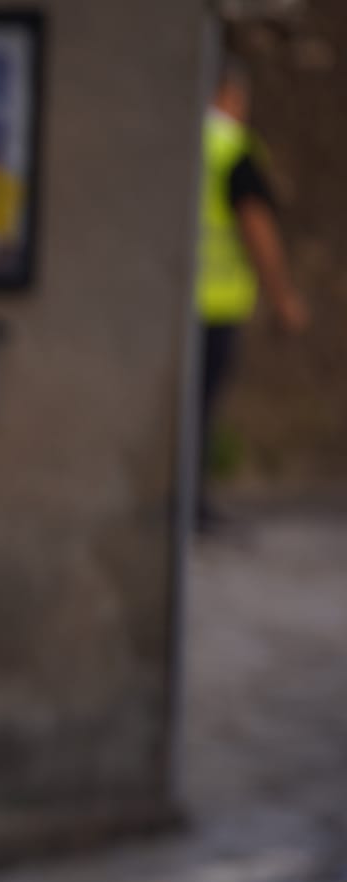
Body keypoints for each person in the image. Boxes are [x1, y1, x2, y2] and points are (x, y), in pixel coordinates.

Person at [195, 52, 309, 532]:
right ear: (232, 93)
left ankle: (183, 503)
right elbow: (256, 228)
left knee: (182, 410)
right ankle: (191, 506)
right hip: (216, 302)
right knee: (200, 409)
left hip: (173, 306)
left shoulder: (182, 139)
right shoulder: (232, 147)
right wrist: (282, 297)